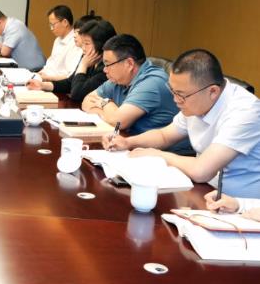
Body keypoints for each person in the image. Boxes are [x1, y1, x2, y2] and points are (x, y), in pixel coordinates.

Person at [104, 49, 260, 198]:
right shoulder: (197, 99)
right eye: (173, 91)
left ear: (212, 91)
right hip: (202, 191)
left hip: (238, 205)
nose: (175, 100)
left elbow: (201, 170)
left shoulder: (244, 111)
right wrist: (127, 142)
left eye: (180, 95)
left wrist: (158, 155)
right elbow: (164, 136)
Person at [82, 34, 180, 137]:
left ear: (129, 64)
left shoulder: (152, 82)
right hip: (129, 140)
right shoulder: (119, 79)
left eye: (108, 65)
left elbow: (118, 123)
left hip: (158, 146)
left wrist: (105, 102)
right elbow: (87, 100)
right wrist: (107, 115)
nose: (104, 70)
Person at [27, 19, 116, 103]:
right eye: (83, 43)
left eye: (87, 43)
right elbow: (70, 82)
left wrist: (83, 65)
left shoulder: (107, 68)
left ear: (102, 45)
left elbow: (77, 94)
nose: (83, 48)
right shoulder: (89, 59)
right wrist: (43, 85)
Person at [0, 7, 45, 71]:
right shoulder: (5, 29)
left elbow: (5, 52)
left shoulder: (14, 27)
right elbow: (2, 46)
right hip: (25, 69)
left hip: (36, 70)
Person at [37, 5, 82, 82]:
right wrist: (37, 75)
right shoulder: (57, 40)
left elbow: (69, 75)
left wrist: (46, 78)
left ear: (65, 22)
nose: (51, 28)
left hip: (58, 83)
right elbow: (50, 65)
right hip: (46, 78)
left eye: (53, 25)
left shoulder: (76, 42)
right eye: (50, 25)